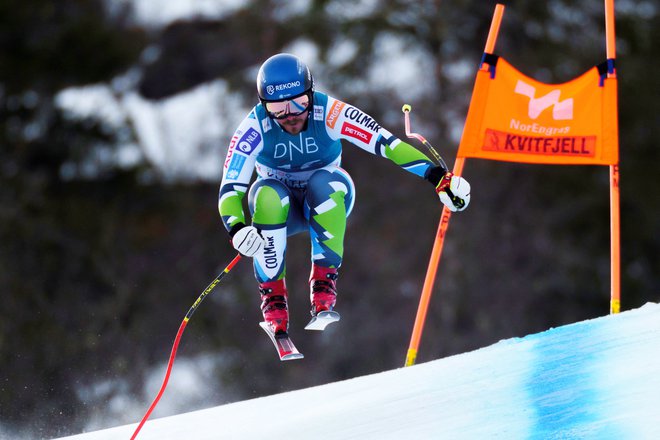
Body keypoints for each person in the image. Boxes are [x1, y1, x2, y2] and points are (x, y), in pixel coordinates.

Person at [218, 53, 470, 335]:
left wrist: (437, 177)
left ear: (311, 94)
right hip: (280, 211)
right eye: (278, 107)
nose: (291, 114)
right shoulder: (254, 128)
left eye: (299, 102)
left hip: (326, 199)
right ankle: (272, 296)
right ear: (264, 105)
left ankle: (324, 283)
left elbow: (385, 143)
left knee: (325, 183)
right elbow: (230, 187)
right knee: (266, 194)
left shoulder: (329, 112)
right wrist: (236, 227)